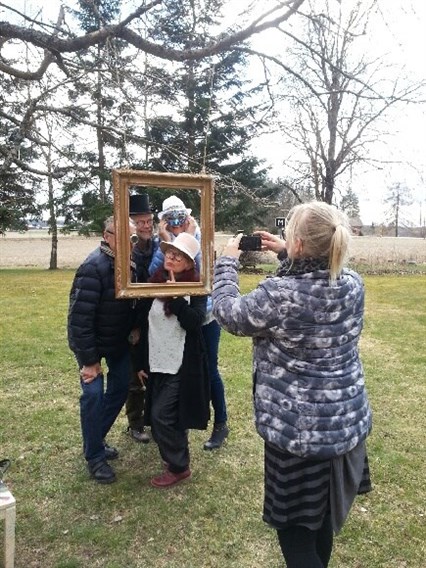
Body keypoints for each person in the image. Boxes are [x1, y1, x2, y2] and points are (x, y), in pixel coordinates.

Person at [212, 201, 372, 568]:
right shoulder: (352, 284)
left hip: (300, 437)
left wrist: (226, 262)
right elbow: (311, 283)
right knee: (320, 523)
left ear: (300, 244)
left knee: (296, 536)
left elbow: (228, 313)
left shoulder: (279, 295)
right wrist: (285, 252)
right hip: (344, 428)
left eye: (289, 236)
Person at [149, 195, 229, 450]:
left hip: (203, 316)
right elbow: (155, 273)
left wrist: (192, 238)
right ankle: (178, 421)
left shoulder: (201, 238)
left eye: (180, 218)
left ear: (188, 217)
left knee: (210, 371)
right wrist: (166, 240)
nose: (176, 223)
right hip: (173, 320)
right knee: (179, 373)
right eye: (170, 219)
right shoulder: (161, 242)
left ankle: (220, 424)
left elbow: (204, 273)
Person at [68, 216, 140, 484]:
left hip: (117, 342)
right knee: (93, 396)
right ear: (106, 236)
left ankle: (95, 440)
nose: (128, 243)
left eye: (132, 238)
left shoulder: (131, 264)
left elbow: (131, 303)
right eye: (120, 236)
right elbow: (79, 319)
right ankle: (95, 456)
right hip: (91, 345)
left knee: (120, 388)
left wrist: (135, 328)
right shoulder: (93, 267)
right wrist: (88, 361)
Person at [138, 232, 210, 488]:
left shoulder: (196, 288)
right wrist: (142, 363)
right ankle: (176, 457)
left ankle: (180, 466)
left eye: (177, 255)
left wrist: (177, 296)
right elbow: (147, 326)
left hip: (181, 363)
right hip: (157, 361)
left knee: (161, 416)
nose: (170, 256)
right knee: (166, 418)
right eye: (169, 252)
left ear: (189, 264)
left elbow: (194, 322)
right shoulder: (155, 283)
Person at [124, 193, 160, 443]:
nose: (146, 226)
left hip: (156, 319)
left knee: (155, 370)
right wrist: (135, 325)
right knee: (134, 373)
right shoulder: (128, 250)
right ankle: (135, 423)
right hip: (133, 318)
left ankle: (154, 419)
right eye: (141, 222)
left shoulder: (158, 247)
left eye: (149, 221)